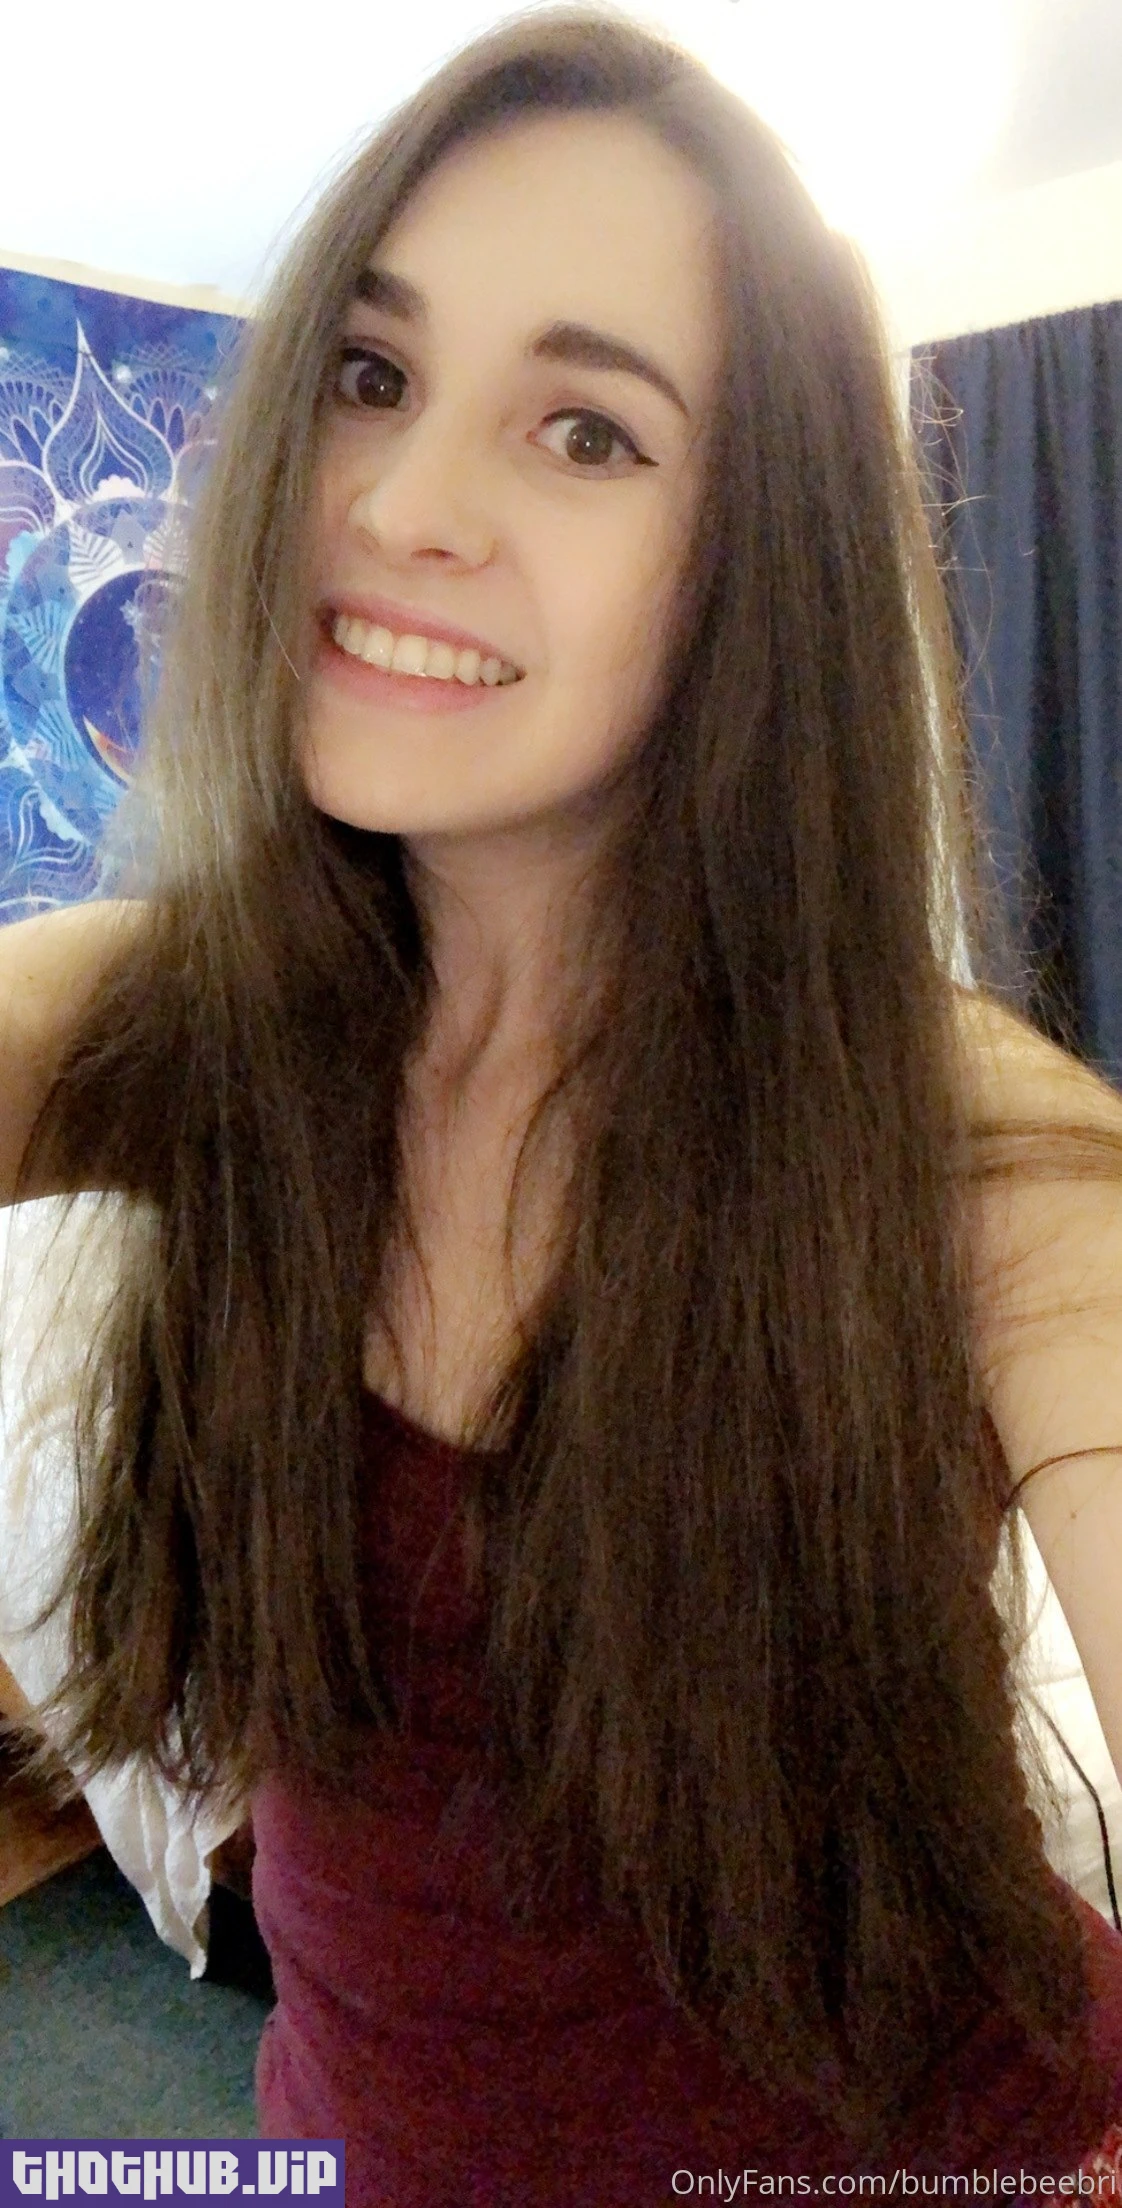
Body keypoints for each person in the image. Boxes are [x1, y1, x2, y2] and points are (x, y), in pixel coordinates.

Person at [2, 6, 1122, 2200]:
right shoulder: (201, 1023)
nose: (401, 508)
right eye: (370, 374)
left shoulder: (959, 1148)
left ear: (757, 559)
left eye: (588, 431)